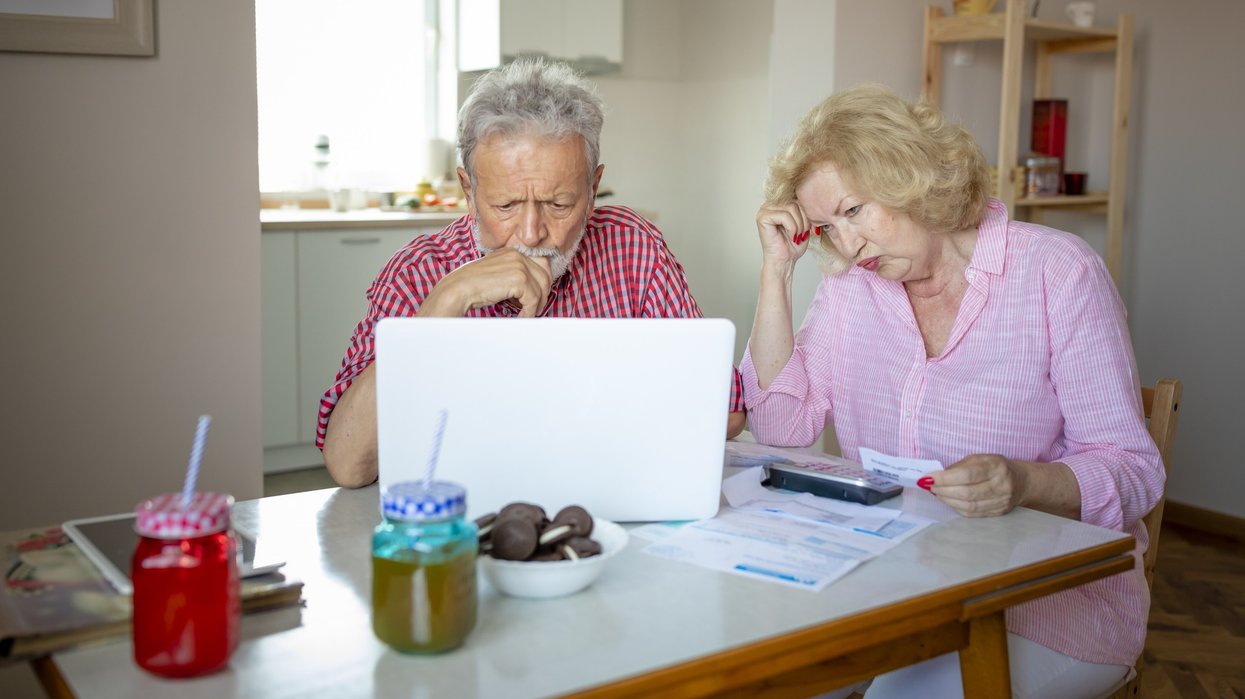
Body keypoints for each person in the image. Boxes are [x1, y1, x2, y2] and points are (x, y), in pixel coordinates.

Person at [742, 84, 1163, 699]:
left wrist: (1023, 482)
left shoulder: (1057, 272)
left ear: (910, 176)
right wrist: (776, 272)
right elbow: (780, 428)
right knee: (772, 683)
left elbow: (1134, 471)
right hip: (889, 583)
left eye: (854, 211)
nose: (847, 246)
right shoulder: (852, 290)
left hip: (1042, 604)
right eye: (827, 228)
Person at [319, 58, 746, 488]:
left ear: (594, 187)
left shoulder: (632, 245)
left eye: (559, 204)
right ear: (469, 190)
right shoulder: (417, 272)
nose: (531, 233)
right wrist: (447, 299)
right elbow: (348, 464)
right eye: (505, 206)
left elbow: (726, 412)